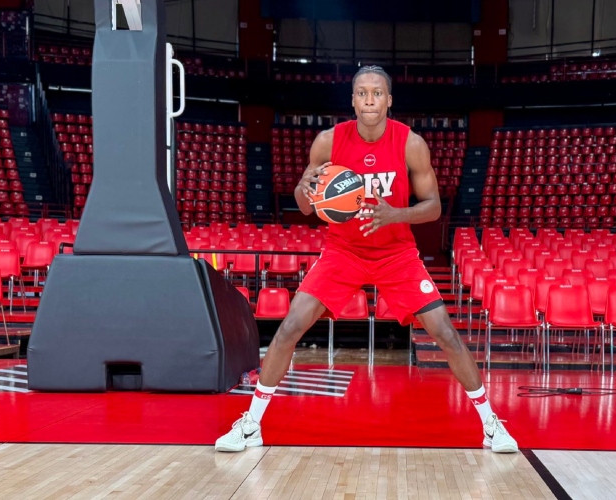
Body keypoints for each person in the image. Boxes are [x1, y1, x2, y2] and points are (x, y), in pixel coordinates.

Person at [215, 66, 518, 454]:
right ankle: (251, 425)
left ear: (389, 100)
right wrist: (302, 189)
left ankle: (491, 425)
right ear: (353, 100)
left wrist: (395, 214)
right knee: (289, 327)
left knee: (445, 331)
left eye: (377, 93)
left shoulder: (410, 144)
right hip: (343, 251)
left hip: (396, 254)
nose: (369, 99)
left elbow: (434, 207)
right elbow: (306, 206)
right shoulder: (328, 142)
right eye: (362, 93)